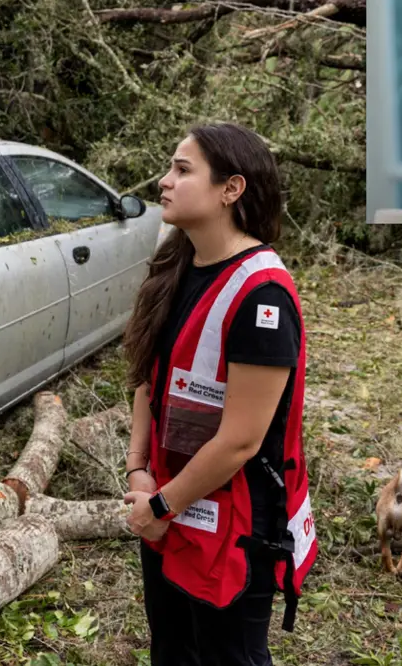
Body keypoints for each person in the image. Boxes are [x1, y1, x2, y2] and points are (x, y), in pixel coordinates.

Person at [122, 123, 318, 666]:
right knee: (173, 650)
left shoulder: (263, 298)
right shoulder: (176, 263)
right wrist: (140, 472)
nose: (165, 181)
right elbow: (147, 377)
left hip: (232, 527)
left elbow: (240, 441)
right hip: (166, 507)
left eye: (183, 170)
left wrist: (161, 504)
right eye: (171, 167)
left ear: (231, 189)